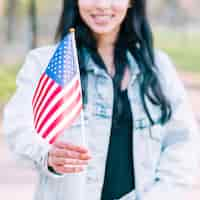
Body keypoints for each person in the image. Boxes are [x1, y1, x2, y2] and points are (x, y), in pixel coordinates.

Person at [3, 0, 200, 199]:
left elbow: (183, 143)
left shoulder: (158, 67)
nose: (102, 5)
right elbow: (18, 128)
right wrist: (47, 155)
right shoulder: (46, 63)